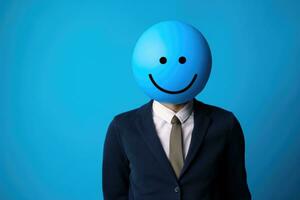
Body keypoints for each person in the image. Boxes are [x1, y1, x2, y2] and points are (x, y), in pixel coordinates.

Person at [102, 20, 251, 200]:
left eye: (183, 61)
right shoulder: (122, 127)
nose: (173, 68)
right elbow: (114, 194)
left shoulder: (225, 124)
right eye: (162, 61)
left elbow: (237, 192)